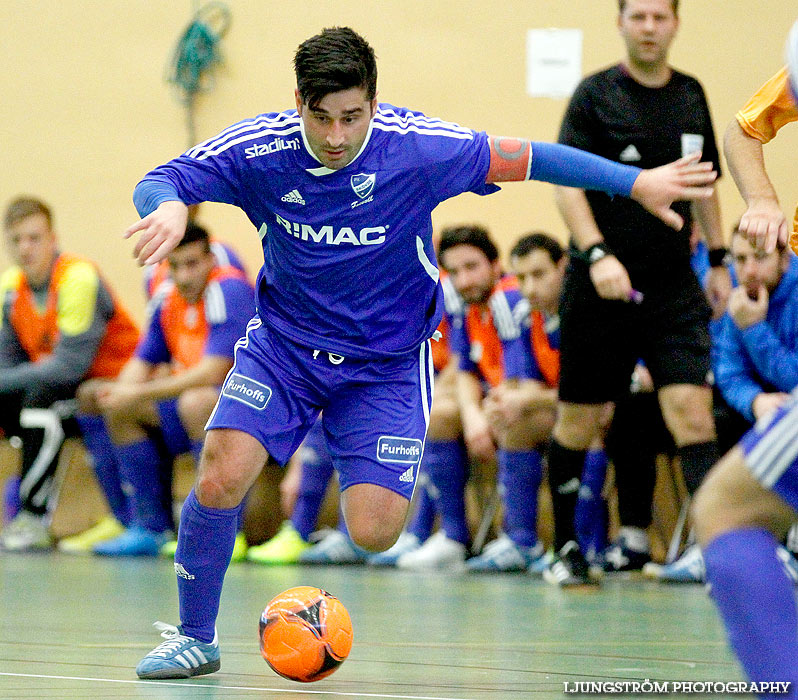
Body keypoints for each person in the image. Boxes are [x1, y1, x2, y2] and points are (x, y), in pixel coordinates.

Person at [128, 26, 716, 679]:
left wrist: (635, 184)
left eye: (352, 117)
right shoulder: (257, 152)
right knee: (219, 469)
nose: (335, 136)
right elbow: (163, 179)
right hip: (285, 350)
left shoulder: (421, 150)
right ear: (298, 101)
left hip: (385, 363)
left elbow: (535, 157)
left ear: (373, 104)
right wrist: (170, 209)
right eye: (320, 117)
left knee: (375, 531)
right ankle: (193, 637)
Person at [544, 0, 730, 586]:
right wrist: (596, 252)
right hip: (602, 283)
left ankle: (710, 549)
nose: (650, 27)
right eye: (639, 16)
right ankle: (567, 549)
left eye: (660, 16)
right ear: (621, 22)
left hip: (673, 282)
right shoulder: (595, 95)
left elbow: (704, 185)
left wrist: (719, 260)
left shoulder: (692, 92)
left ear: (675, 23)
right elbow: (566, 182)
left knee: (691, 414)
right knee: (581, 417)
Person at [694, 47, 798, 691]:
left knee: (727, 511)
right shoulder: (738, 299)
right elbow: (742, 128)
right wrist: (762, 199)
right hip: (772, 412)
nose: (749, 266)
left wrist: (760, 336)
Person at [80, 222, 254, 557]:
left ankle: (225, 533)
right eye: (175, 266)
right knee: (112, 402)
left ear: (210, 261)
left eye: (192, 264)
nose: (184, 276)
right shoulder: (168, 298)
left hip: (244, 415)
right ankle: (148, 527)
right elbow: (142, 361)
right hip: (189, 409)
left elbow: (212, 372)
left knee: (196, 401)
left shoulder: (228, 291)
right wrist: (119, 393)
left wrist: (138, 393)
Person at [0, 196, 139, 551]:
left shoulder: (77, 277)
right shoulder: (10, 288)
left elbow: (68, 368)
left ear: (53, 238)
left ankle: (33, 517)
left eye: (34, 238)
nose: (25, 248)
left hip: (113, 385)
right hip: (60, 389)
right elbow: (7, 363)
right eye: (16, 240)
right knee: (26, 398)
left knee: (39, 404)